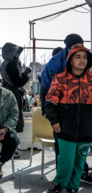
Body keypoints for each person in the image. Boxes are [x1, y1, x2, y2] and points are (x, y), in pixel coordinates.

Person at [40, 34, 92, 184]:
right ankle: (61, 179)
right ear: (68, 48)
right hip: (62, 112)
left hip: (83, 117)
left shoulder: (83, 60)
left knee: (80, 150)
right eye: (75, 49)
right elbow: (45, 85)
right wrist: (49, 112)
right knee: (63, 150)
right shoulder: (55, 63)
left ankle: (79, 176)